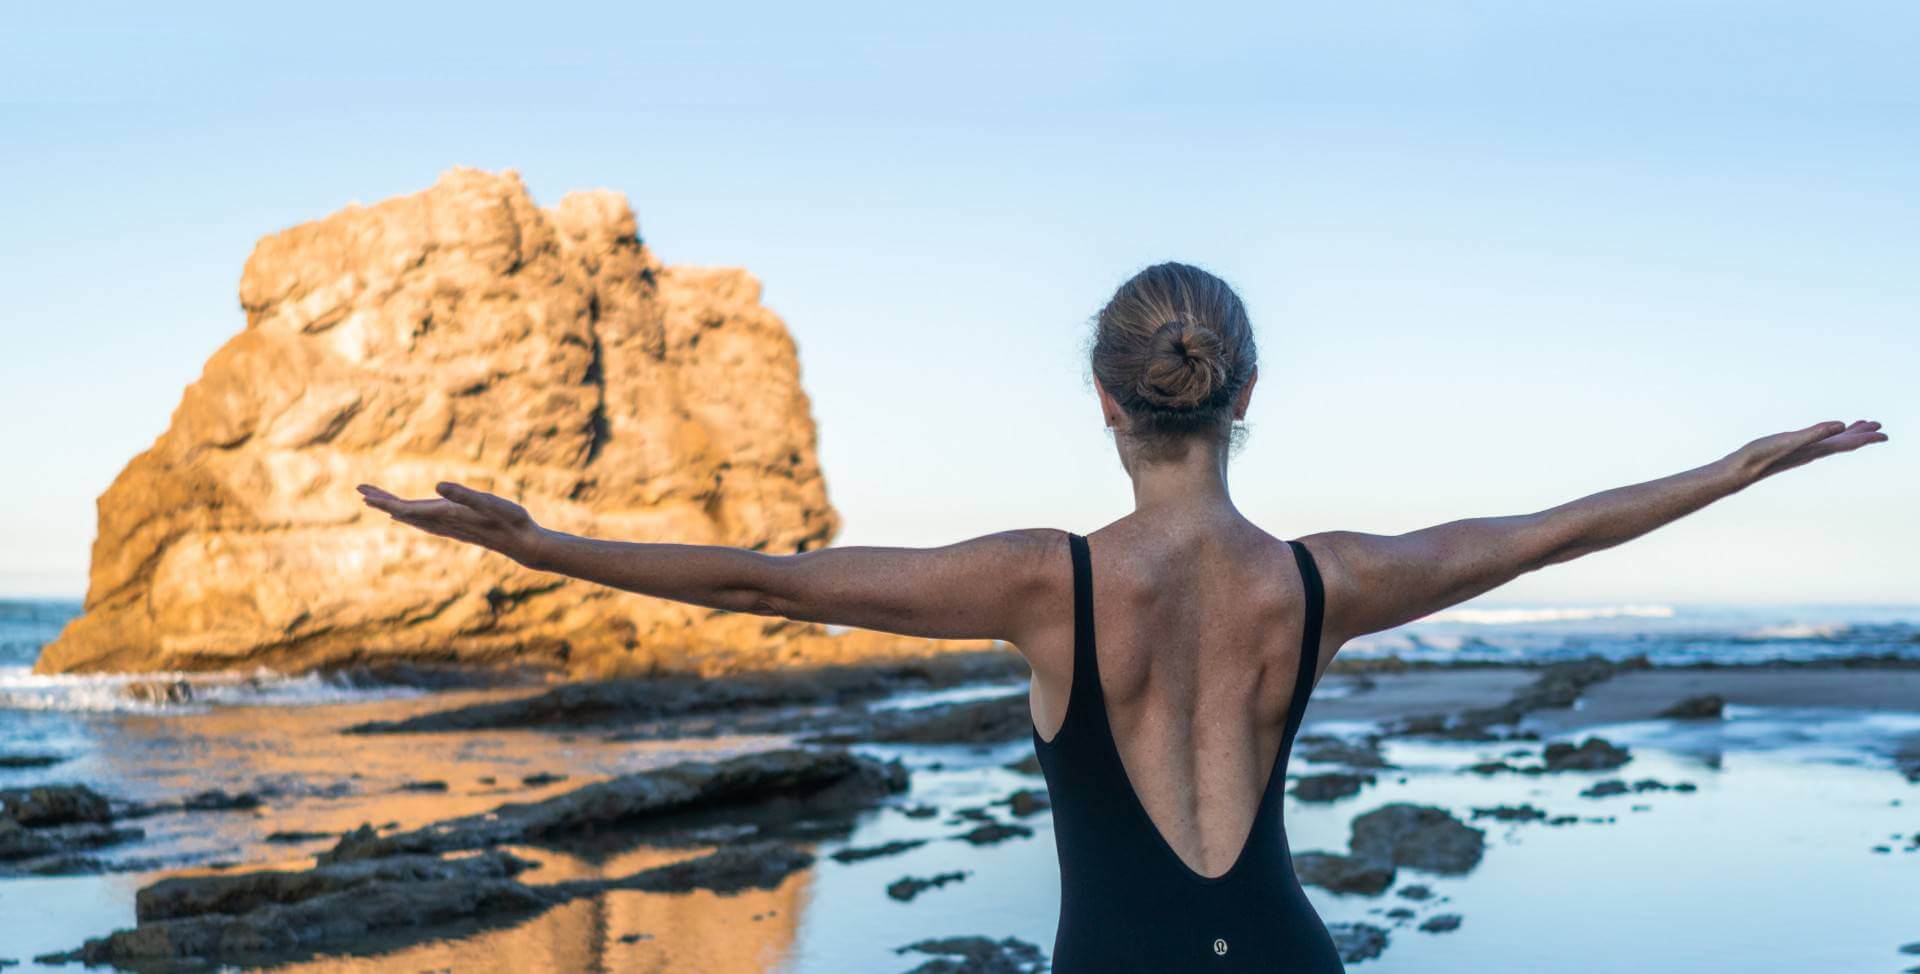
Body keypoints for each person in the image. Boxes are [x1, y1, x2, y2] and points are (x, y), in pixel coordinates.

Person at [357, 261, 1886, 972]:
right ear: (1247, 396)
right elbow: (1537, 536)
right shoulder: (1326, 577)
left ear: (1103, 400)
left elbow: (771, 581)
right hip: (1290, 957)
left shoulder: (1044, 581)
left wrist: (551, 544)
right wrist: (1732, 470)